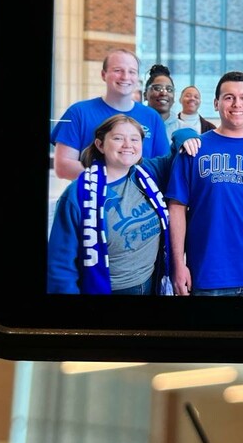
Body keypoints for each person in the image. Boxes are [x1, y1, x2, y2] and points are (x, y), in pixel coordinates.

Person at [167, 72, 243, 296]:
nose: (237, 104)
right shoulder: (194, 149)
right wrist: (177, 265)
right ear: (216, 104)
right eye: (229, 97)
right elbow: (176, 209)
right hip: (204, 275)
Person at [47, 114, 180, 295]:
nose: (127, 145)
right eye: (118, 138)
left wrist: (187, 137)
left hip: (152, 283)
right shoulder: (77, 195)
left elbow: (180, 141)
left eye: (134, 139)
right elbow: (60, 267)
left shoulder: (148, 172)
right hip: (109, 290)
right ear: (100, 145)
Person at [51, 49, 167, 179]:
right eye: (118, 70)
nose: (125, 77)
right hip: (92, 196)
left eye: (132, 72)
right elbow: (63, 166)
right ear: (103, 74)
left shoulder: (152, 117)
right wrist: (110, 179)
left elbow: (162, 166)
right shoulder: (78, 113)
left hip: (139, 197)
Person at [144, 64, 182, 139]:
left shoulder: (184, 129)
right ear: (145, 95)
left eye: (169, 90)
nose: (164, 93)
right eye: (157, 88)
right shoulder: (133, 125)